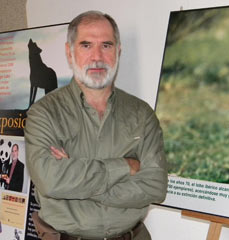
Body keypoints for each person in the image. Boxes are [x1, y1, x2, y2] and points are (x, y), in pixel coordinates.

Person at [24, 10, 168, 240]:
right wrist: (125, 166)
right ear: (69, 53)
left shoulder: (142, 114)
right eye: (86, 45)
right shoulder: (43, 114)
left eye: (107, 45)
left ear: (118, 51)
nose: (97, 57)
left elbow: (156, 186)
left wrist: (77, 182)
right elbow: (51, 181)